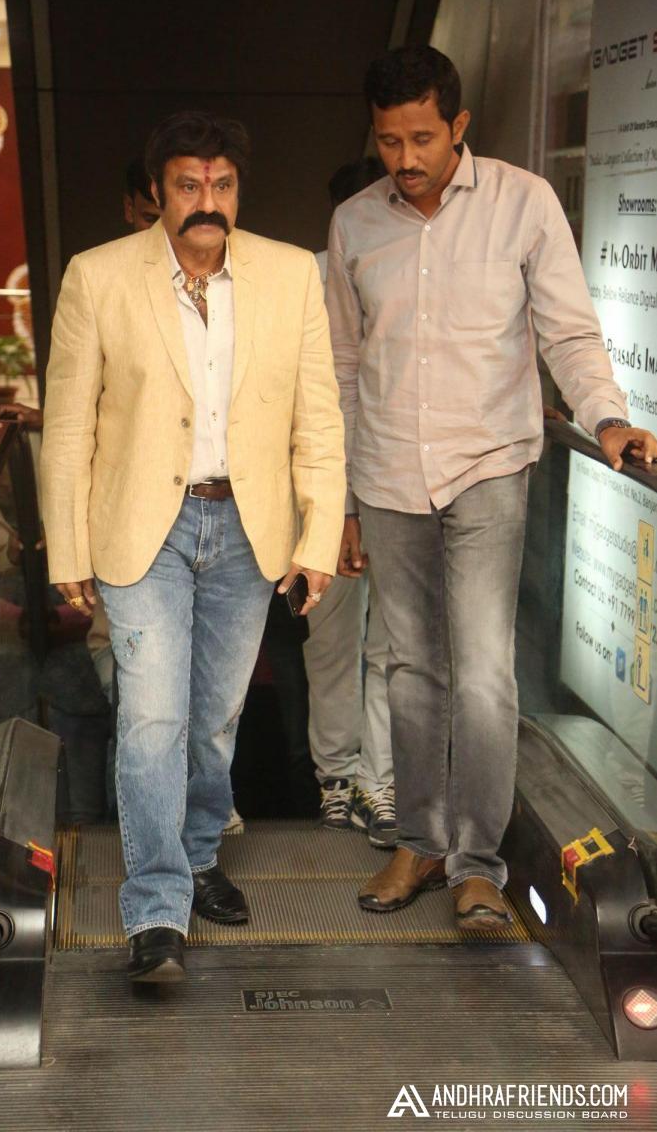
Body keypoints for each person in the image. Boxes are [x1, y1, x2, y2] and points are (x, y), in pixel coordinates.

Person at [327, 45, 657, 931]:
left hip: (488, 466)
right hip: (387, 470)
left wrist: (607, 418)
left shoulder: (523, 201)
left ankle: (477, 864)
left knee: (481, 673)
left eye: (422, 138)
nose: (405, 158)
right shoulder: (354, 223)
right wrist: (343, 501)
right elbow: (343, 368)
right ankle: (419, 842)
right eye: (389, 140)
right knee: (409, 672)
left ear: (459, 126)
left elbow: (568, 332)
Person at [40, 110, 345, 982]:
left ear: (237, 191)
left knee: (214, 721)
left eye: (221, 185)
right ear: (158, 192)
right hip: (145, 529)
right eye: (187, 185)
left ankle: (201, 851)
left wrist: (318, 536)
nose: (206, 200)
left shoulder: (289, 274)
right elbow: (67, 428)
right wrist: (67, 552)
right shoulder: (97, 276)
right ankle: (156, 905)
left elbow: (318, 415)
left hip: (248, 526)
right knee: (150, 718)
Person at [305, 158, 396, 847]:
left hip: (400, 482)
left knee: (393, 642)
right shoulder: (307, 280)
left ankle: (377, 780)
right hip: (325, 487)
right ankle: (336, 776)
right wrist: (335, 505)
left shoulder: (420, 273)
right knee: (333, 638)